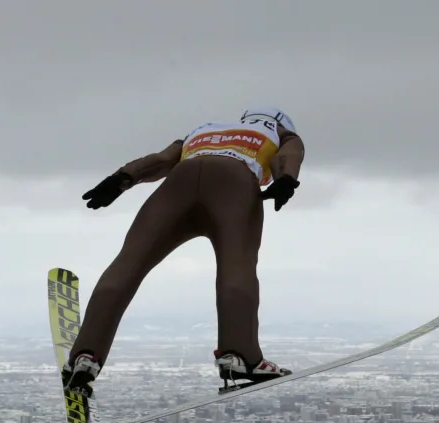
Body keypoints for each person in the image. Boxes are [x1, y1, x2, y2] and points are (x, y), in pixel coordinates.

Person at [62, 108, 305, 396]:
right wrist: (286, 180)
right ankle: (240, 356)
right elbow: (287, 156)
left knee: (129, 263)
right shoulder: (281, 134)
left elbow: (161, 161)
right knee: (236, 267)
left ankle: (86, 356)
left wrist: (122, 178)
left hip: (179, 182)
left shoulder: (203, 129)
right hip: (234, 183)